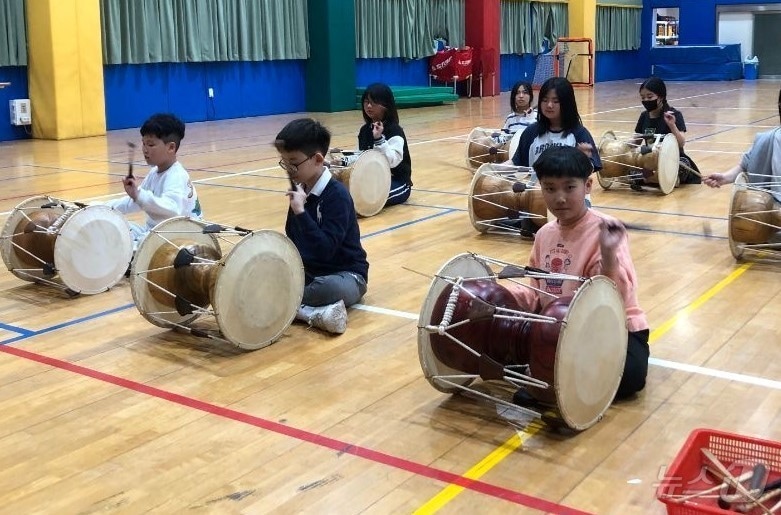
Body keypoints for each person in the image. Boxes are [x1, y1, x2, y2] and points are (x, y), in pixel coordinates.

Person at [511, 145, 649, 405]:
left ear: (588, 186)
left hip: (611, 325)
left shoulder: (606, 231)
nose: (559, 198)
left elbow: (615, 299)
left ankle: (551, 376)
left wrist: (608, 255)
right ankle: (559, 375)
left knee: (631, 376)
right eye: (549, 188)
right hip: (560, 326)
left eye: (569, 187)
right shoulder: (544, 234)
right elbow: (536, 291)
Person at [275, 118, 369, 335]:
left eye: (293, 162)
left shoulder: (337, 195)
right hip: (310, 273)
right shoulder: (301, 189)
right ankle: (307, 311)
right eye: (284, 163)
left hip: (346, 276)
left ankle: (294, 307)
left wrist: (301, 212)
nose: (288, 169)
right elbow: (294, 238)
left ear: (317, 159)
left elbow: (325, 250)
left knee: (325, 288)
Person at [509, 77, 602, 237]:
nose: (549, 105)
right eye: (545, 100)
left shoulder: (579, 133)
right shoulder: (531, 132)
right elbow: (516, 162)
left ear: (566, 103)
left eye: (555, 101)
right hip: (536, 198)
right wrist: (492, 170)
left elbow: (591, 168)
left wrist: (583, 160)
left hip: (571, 201)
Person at [105, 113, 202, 247]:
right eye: (143, 144)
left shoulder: (177, 175)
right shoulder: (154, 173)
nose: (145, 150)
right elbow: (136, 201)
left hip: (180, 236)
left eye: (150, 145)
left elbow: (172, 210)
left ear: (171, 147)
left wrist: (138, 194)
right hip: (157, 231)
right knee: (119, 227)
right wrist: (102, 207)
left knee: (136, 244)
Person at [703, 87, 781, 202]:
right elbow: (745, 166)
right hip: (774, 210)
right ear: (780, 105)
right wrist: (725, 177)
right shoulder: (767, 139)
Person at [633, 77, 700, 189]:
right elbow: (636, 141)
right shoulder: (644, 116)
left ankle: (655, 179)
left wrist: (672, 125)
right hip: (651, 161)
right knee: (631, 172)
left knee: (682, 165)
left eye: (650, 97)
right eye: (643, 97)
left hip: (672, 160)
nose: (646, 100)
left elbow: (681, 143)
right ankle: (658, 179)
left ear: (661, 97)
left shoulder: (674, 115)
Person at [356, 82, 413, 206]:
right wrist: (341, 162)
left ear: (386, 105)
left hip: (398, 182)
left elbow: (393, 161)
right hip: (374, 181)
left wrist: (379, 140)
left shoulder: (395, 130)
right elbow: (361, 157)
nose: (369, 106)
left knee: (369, 198)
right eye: (366, 102)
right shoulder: (364, 130)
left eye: (373, 102)